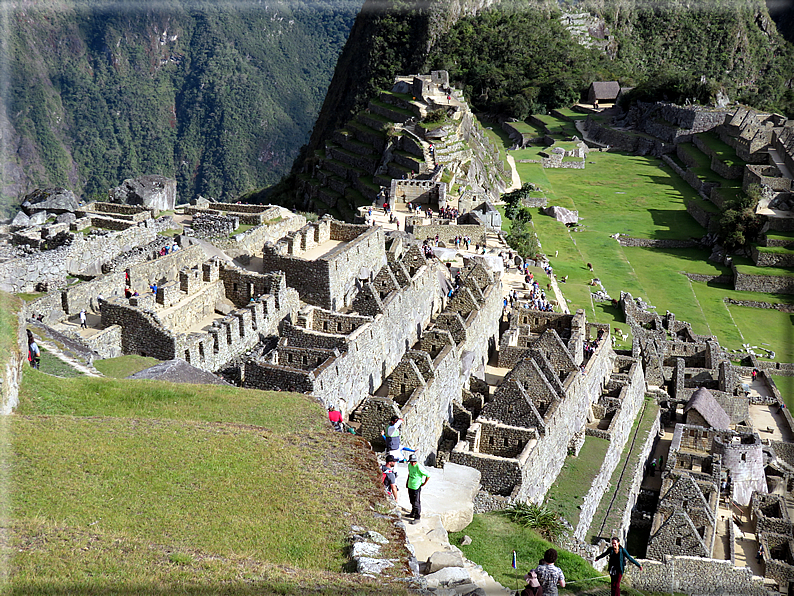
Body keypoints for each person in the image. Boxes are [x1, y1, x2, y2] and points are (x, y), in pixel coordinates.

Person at [406, 453, 430, 524]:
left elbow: (428, 475)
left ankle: (417, 517)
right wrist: (407, 482)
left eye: (414, 461)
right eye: (411, 461)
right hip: (410, 486)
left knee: (416, 502)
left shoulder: (419, 467)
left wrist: (424, 483)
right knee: (412, 501)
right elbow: (409, 474)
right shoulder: (409, 465)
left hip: (416, 487)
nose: (413, 463)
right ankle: (412, 513)